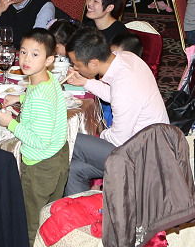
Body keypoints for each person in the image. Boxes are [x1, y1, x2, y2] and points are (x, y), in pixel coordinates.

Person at [63, 27, 167, 194]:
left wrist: (97, 135)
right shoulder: (126, 57)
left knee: (69, 139)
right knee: (74, 169)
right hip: (150, 144)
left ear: (93, 63)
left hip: (144, 157)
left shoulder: (124, 85)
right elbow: (114, 95)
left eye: (76, 64)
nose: (75, 68)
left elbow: (119, 140)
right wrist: (85, 82)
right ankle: (82, 209)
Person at [0, 28, 69, 236]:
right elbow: (42, 98)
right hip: (58, 155)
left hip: (39, 165)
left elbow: (38, 140)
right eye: (23, 52)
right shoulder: (48, 79)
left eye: (35, 54)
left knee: (31, 221)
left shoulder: (39, 98)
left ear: (49, 60)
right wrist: (19, 98)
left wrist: (10, 123)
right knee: (50, 215)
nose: (26, 59)